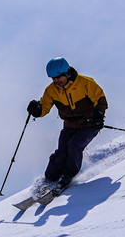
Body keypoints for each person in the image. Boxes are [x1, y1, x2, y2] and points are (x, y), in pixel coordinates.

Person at [26, 57, 107, 192]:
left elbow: (100, 100)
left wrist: (98, 116)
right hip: (69, 125)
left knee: (74, 146)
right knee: (61, 152)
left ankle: (68, 175)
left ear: (67, 73)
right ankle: (50, 179)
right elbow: (44, 107)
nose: (56, 81)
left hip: (89, 123)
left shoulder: (85, 82)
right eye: (53, 78)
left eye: (58, 77)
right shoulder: (51, 90)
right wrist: (36, 110)